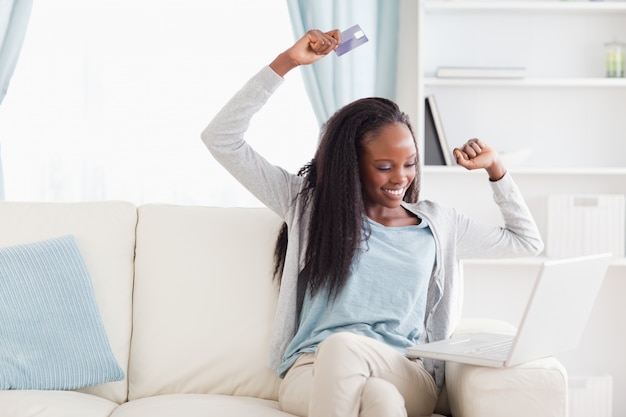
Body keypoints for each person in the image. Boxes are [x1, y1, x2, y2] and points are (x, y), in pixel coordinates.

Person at [201, 29, 543, 417]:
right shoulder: (310, 207)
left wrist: (497, 170)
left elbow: (526, 241)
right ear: (353, 166)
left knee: (347, 349)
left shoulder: (438, 225)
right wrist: (288, 62)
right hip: (310, 371)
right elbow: (221, 138)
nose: (402, 178)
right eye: (384, 167)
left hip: (404, 370)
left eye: (410, 164)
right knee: (378, 400)